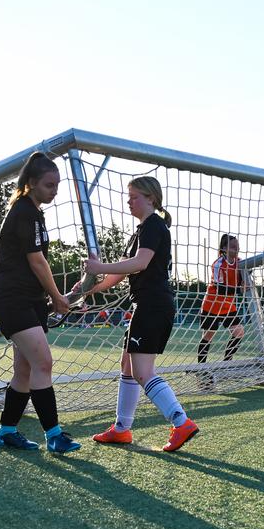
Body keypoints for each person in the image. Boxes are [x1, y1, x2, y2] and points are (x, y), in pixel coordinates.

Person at [85, 176, 199, 452]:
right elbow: (122, 273)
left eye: (134, 196)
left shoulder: (153, 226)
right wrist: (90, 287)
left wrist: (99, 265)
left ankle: (180, 421)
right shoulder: (140, 232)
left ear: (151, 198)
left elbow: (140, 263)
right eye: (129, 196)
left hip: (152, 304)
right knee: (127, 364)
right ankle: (121, 430)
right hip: (146, 305)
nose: (129, 201)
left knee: (142, 372)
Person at [0, 152, 79, 453]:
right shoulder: (24, 211)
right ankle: (54, 435)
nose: (54, 190)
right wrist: (58, 296)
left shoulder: (32, 211)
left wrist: (49, 297)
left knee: (25, 370)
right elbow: (37, 261)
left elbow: (37, 263)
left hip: (28, 299)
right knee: (43, 362)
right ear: (31, 183)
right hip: (12, 299)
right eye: (49, 185)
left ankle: (7, 431)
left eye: (57, 185)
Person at [197, 234, 245, 365]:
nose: (237, 249)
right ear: (224, 248)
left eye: (238, 247)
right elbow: (221, 289)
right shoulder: (218, 264)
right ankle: (201, 367)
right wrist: (240, 289)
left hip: (228, 306)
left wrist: (245, 281)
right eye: (233, 247)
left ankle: (227, 363)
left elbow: (243, 280)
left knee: (239, 332)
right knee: (208, 336)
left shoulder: (240, 263)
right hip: (212, 305)